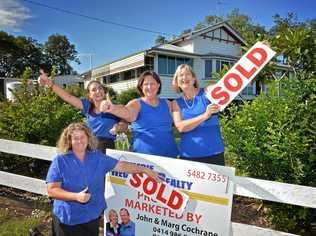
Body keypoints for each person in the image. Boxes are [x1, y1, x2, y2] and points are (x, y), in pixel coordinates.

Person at [46, 122, 159, 236]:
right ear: (69, 140)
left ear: (88, 138)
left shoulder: (97, 157)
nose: (79, 141)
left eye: (82, 137)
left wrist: (145, 169)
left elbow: (122, 166)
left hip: (91, 218)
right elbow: (52, 190)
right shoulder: (60, 161)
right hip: (68, 220)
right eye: (75, 138)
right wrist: (75, 196)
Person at [38, 69, 127, 154]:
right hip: (90, 146)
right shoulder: (87, 106)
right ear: (90, 95)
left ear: (104, 91)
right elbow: (68, 97)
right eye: (94, 90)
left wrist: (119, 127)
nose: (98, 91)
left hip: (107, 148)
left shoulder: (114, 107)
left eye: (100, 88)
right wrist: (51, 84)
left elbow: (125, 125)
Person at [100, 71, 178, 158]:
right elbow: (128, 112)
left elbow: (179, 122)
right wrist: (113, 109)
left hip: (170, 156)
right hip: (144, 159)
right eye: (145, 84)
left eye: (152, 83)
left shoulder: (168, 103)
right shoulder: (136, 103)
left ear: (158, 85)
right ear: (141, 87)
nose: (149, 87)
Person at [171, 64, 225, 165]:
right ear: (177, 82)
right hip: (188, 157)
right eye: (180, 75)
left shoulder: (207, 93)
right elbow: (181, 127)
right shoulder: (176, 103)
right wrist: (205, 115)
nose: (184, 77)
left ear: (194, 79)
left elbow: (226, 85)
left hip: (214, 154)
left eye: (187, 74)